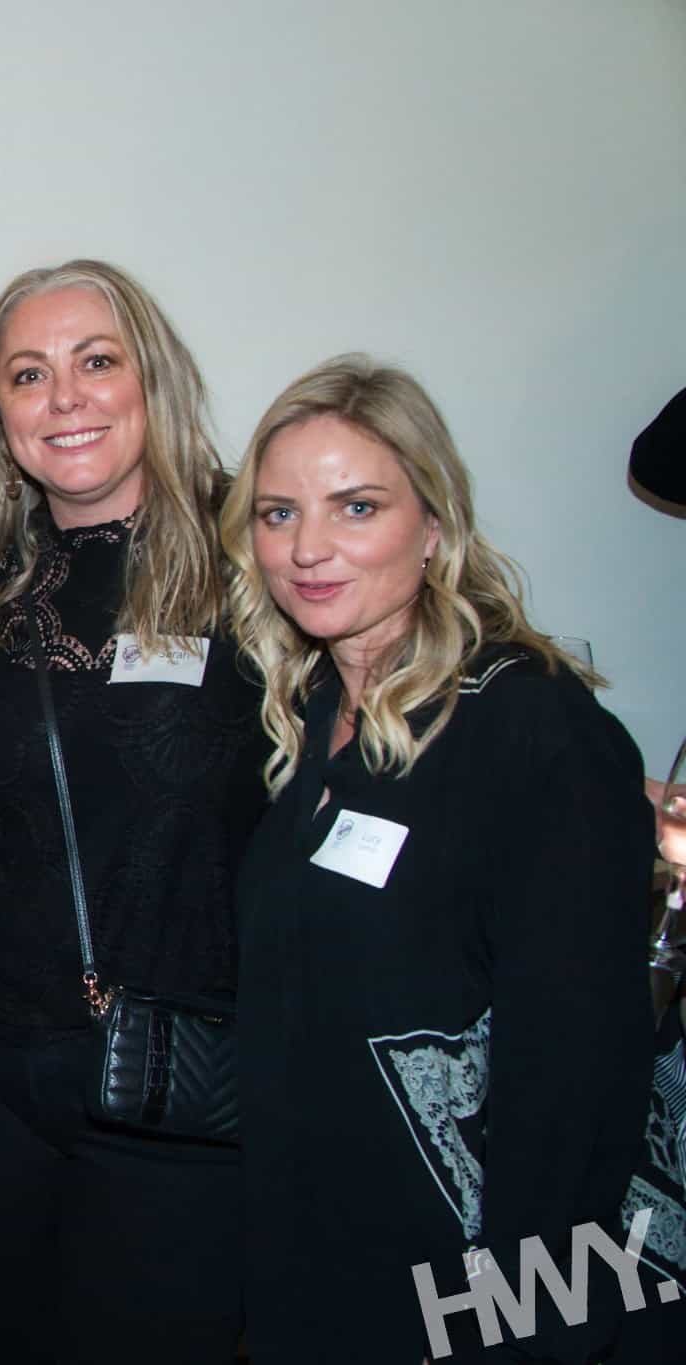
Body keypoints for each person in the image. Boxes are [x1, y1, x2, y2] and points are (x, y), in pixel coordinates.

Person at [221, 356, 650, 1363]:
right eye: (278, 514)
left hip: (470, 1297)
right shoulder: (304, 714)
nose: (307, 548)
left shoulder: (532, 731)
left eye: (356, 506)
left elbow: (577, 1091)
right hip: (317, 1265)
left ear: (434, 525)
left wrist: (525, 1326)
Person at [0, 260, 264, 1363]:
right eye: (28, 374)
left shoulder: (254, 555)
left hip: (178, 1063)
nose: (63, 396)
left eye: (96, 361)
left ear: (151, 379)